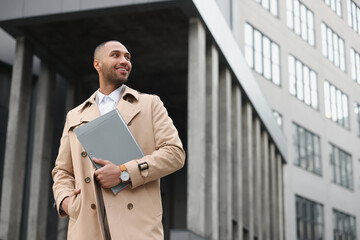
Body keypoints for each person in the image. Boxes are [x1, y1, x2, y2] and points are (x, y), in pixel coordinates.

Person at [52, 40, 185, 240]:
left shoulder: (150, 104)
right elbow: (62, 170)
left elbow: (175, 154)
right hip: (87, 228)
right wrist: (66, 201)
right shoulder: (75, 115)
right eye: (116, 55)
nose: (124, 61)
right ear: (97, 64)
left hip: (137, 228)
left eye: (127, 57)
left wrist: (124, 173)